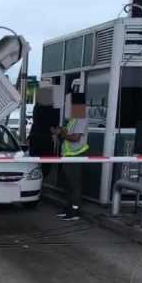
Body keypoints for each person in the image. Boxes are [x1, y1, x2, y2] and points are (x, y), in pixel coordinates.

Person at [50, 92, 89, 221]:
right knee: (70, 184)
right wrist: (60, 132)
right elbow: (69, 133)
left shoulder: (81, 117)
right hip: (69, 155)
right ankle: (69, 207)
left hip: (76, 155)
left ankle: (75, 211)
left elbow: (76, 137)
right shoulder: (75, 117)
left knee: (75, 184)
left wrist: (60, 134)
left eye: (72, 104)